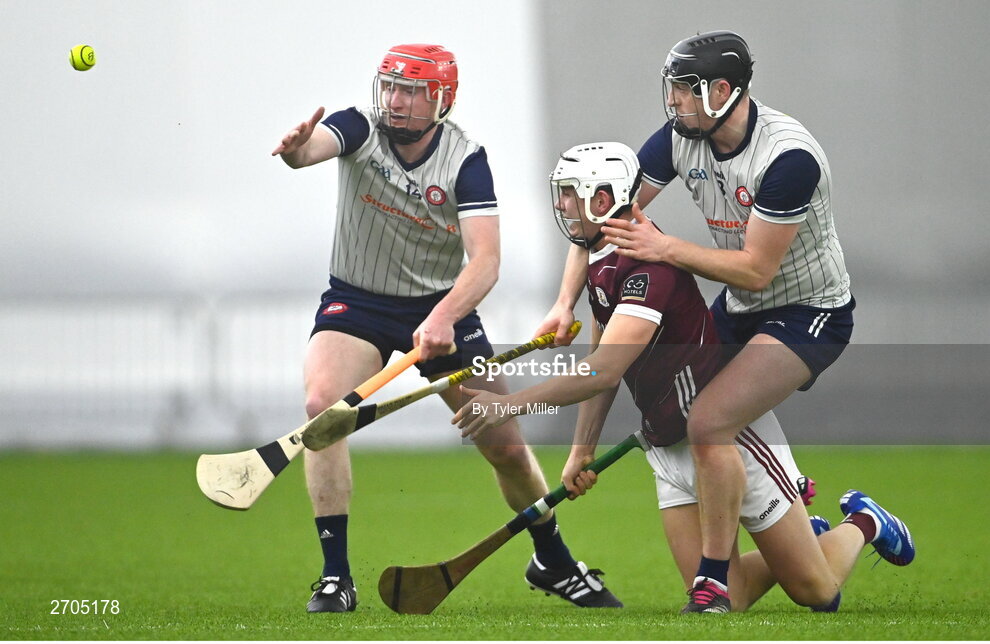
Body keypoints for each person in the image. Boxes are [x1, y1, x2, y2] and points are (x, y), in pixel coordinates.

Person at [457, 142, 914, 613]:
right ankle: (799, 540)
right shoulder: (602, 260)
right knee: (728, 598)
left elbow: (602, 370)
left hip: (730, 443)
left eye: (571, 193)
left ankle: (863, 522)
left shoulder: (647, 270)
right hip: (665, 445)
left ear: (602, 198)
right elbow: (601, 356)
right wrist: (582, 450)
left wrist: (508, 404)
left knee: (818, 594)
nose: (561, 204)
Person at [271, 44, 620, 613]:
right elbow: (316, 147)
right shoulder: (360, 127)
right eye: (392, 87)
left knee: (504, 445)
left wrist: (441, 318)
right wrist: (296, 151)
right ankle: (336, 576)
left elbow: (485, 262)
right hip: (355, 304)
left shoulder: (465, 159)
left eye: (413, 91)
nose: (398, 102)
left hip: (442, 308)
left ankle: (552, 559)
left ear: (442, 99)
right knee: (322, 410)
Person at [534, 31, 858, 612]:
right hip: (738, 307)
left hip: (807, 313)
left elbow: (758, 271)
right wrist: (564, 302)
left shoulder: (788, 159)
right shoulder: (681, 137)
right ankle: (784, 520)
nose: (673, 100)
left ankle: (748, 564)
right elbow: (601, 214)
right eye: (673, 88)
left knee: (708, 421)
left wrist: (666, 250)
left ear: (723, 92)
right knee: (679, 406)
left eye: (685, 89)